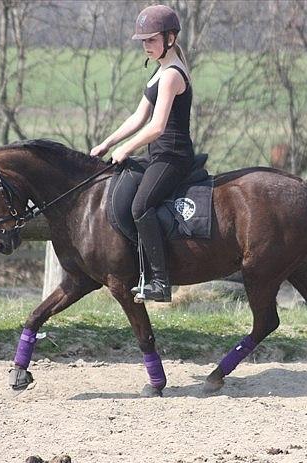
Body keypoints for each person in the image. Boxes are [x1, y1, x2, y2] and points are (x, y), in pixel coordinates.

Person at [91, 4, 194, 303]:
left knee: (140, 207)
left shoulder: (172, 75)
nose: (146, 46)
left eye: (151, 40)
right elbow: (138, 118)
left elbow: (157, 126)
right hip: (158, 155)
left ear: (170, 39)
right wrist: (107, 143)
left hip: (172, 156)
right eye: (143, 41)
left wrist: (127, 148)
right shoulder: (159, 72)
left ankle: (161, 282)